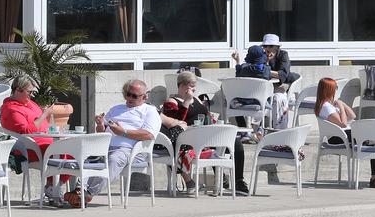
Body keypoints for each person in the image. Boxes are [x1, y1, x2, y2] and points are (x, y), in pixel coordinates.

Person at [73, 79, 162, 207]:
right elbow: (101, 132)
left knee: (115, 159)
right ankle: (79, 190)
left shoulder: (149, 111)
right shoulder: (116, 109)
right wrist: (99, 124)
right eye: (128, 94)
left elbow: (149, 135)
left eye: (134, 96)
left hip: (130, 150)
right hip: (105, 146)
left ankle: (88, 193)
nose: (129, 98)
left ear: (144, 97)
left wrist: (123, 132)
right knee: (86, 156)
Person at [163, 73, 248, 195]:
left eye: (194, 86)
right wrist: (186, 102)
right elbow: (175, 123)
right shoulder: (171, 101)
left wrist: (213, 123)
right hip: (189, 139)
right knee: (218, 145)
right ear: (182, 86)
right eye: (191, 86)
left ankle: (238, 181)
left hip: (207, 134)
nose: (194, 89)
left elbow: (206, 115)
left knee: (236, 143)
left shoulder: (196, 99)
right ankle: (220, 178)